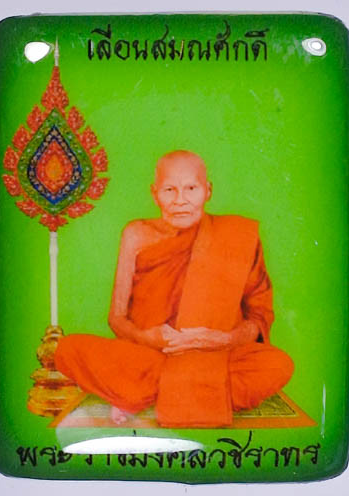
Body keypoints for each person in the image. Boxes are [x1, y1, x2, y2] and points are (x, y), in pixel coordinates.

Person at [54, 150, 294, 427]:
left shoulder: (238, 235)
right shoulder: (136, 234)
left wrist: (221, 339)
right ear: (155, 194)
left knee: (278, 365)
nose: (180, 200)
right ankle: (193, 392)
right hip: (150, 356)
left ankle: (145, 394)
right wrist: (147, 338)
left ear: (207, 191)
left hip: (215, 356)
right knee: (68, 349)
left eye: (191, 188)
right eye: (170, 190)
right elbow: (116, 318)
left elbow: (258, 317)